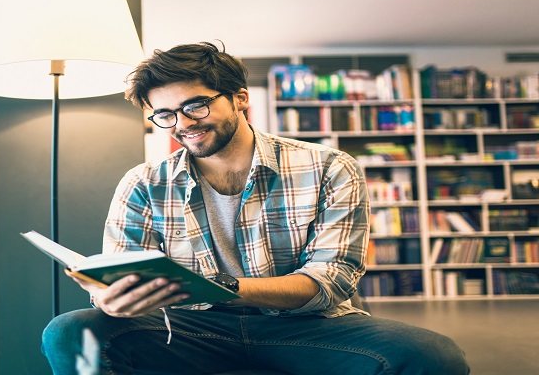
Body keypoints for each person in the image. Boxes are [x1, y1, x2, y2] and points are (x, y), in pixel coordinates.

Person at [42, 42, 469, 375]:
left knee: (434, 356)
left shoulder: (330, 167)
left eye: (196, 105)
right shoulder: (143, 183)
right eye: (166, 115)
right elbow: (120, 271)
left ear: (240, 98)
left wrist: (224, 286)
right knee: (71, 332)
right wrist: (110, 297)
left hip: (306, 328)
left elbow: (330, 280)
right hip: (186, 330)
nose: (183, 124)